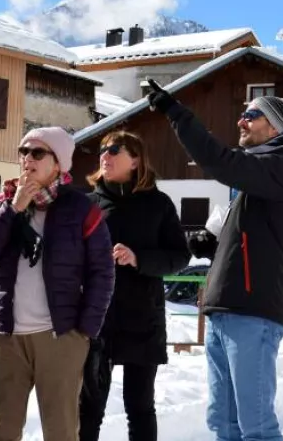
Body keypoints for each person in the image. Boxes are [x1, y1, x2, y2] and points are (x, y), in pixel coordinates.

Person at [146, 83, 283, 441]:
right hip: (224, 309)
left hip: (253, 312)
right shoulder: (253, 186)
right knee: (223, 424)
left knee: (256, 427)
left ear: (276, 127)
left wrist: (176, 113)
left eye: (251, 115)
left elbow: (220, 162)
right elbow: (220, 239)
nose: (241, 121)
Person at [0, 126, 115, 441]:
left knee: (60, 430)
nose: (27, 159)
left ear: (58, 163)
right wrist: (14, 209)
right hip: (6, 336)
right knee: (2, 429)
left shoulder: (81, 209)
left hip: (60, 335)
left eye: (37, 153)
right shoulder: (3, 203)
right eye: (23, 152)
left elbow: (102, 272)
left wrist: (85, 330)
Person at [79, 131, 191, 441]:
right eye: (102, 149)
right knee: (88, 407)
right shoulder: (87, 204)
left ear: (136, 159)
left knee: (140, 406)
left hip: (143, 318)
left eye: (114, 149)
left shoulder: (158, 204)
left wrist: (138, 258)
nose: (105, 155)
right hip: (97, 319)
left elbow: (180, 256)